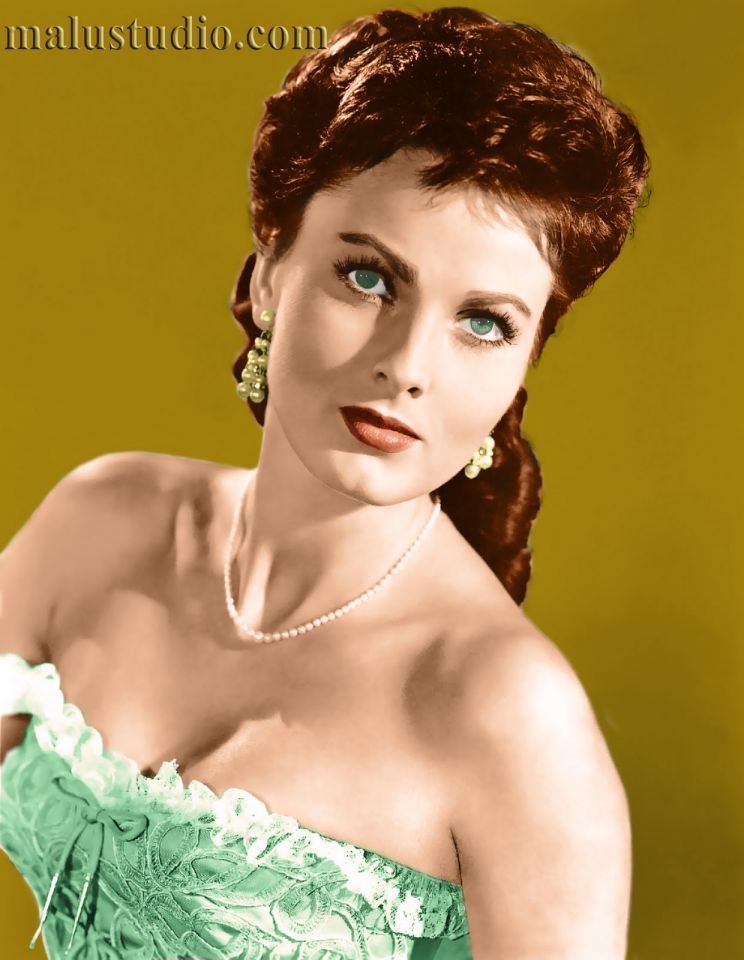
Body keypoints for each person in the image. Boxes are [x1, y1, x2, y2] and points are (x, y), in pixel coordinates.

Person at [0, 7, 649, 959]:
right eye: (369, 279)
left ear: (525, 361)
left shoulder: (511, 714)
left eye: (483, 323)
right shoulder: (103, 517)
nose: (408, 366)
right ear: (270, 273)